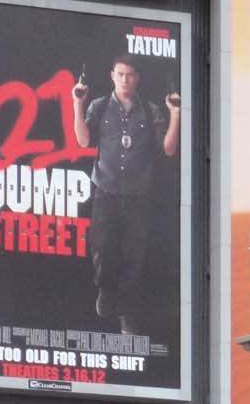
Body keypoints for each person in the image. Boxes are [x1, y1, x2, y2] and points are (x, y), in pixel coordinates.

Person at [72, 55, 181, 335]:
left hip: (138, 195)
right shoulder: (98, 106)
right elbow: (83, 140)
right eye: (120, 74)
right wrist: (77, 103)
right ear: (112, 75)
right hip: (105, 191)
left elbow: (168, 149)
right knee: (104, 250)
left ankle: (125, 311)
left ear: (137, 78)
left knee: (134, 257)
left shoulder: (149, 109)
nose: (125, 80)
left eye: (130, 75)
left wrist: (176, 114)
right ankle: (106, 291)